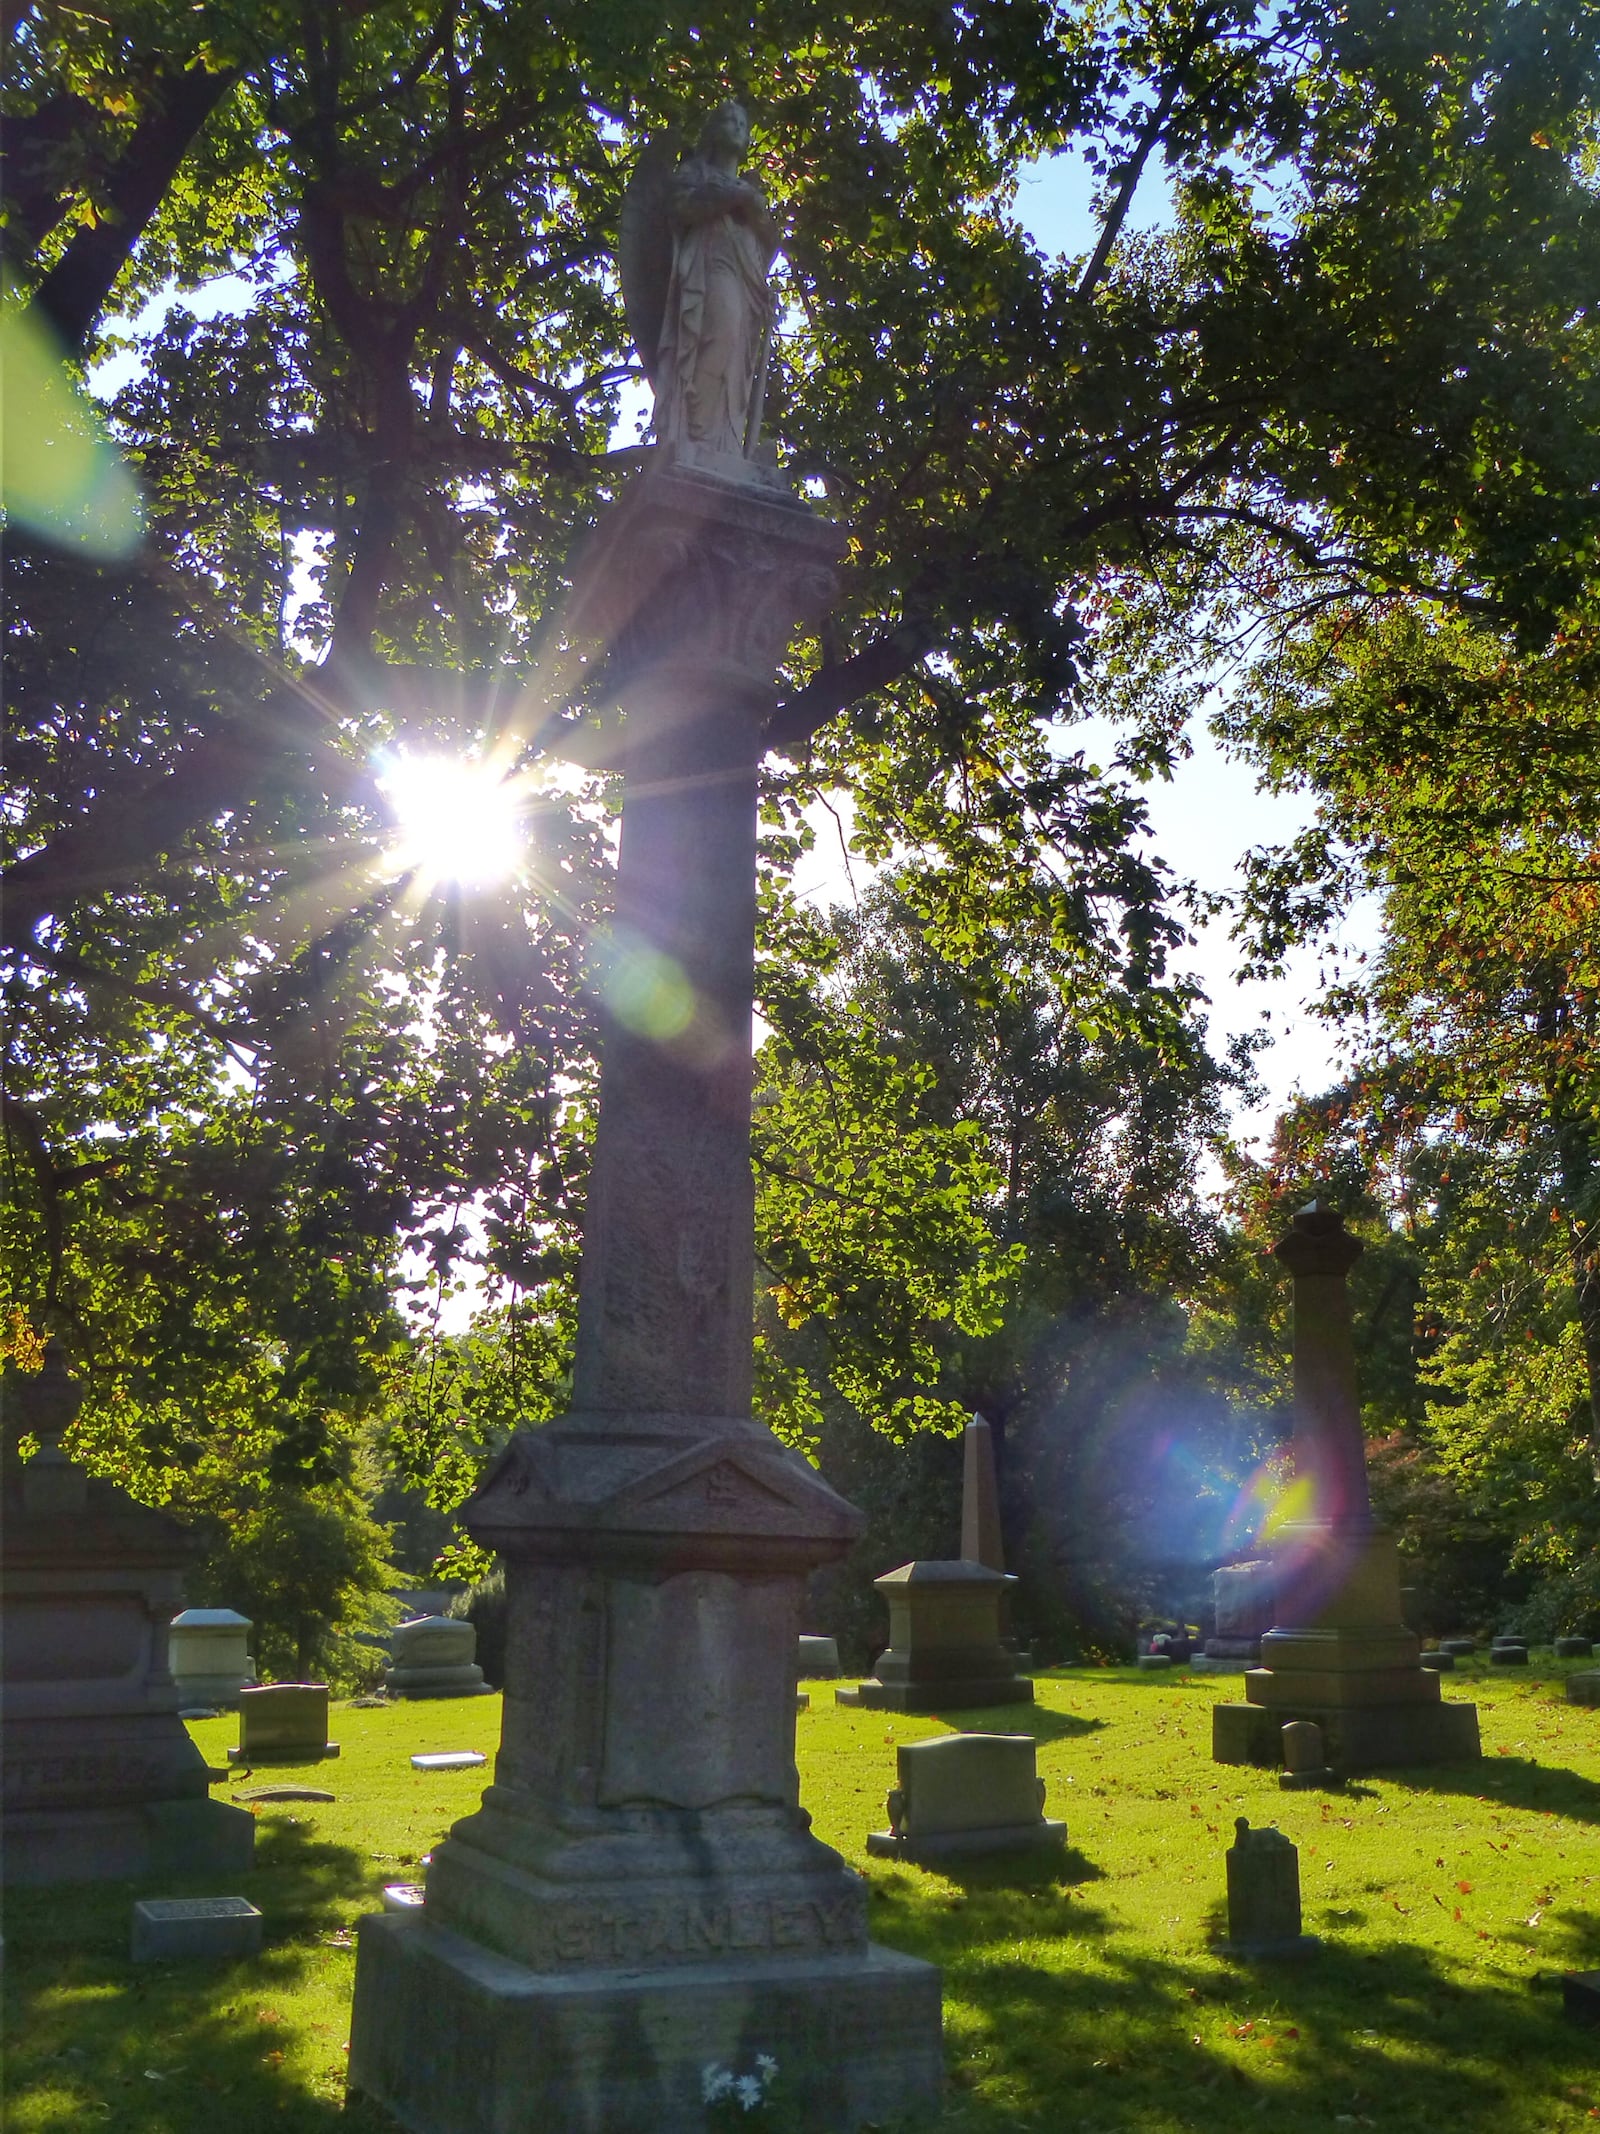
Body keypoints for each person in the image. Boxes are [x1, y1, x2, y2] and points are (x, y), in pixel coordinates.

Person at [653, 100, 778, 458]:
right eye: (728, 119)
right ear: (711, 132)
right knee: (722, 333)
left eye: (743, 121)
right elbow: (682, 207)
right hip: (710, 267)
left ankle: (725, 444)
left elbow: (770, 240)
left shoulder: (751, 190)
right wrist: (734, 197)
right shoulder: (695, 174)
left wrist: (755, 209)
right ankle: (695, 425)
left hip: (747, 277)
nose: (738, 126)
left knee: (739, 359)